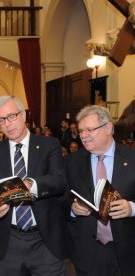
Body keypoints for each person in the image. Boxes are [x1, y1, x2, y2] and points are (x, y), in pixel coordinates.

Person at [0, 96, 72, 275]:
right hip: (8, 241)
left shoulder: (49, 145)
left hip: (44, 240)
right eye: (1, 120)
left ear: (23, 115)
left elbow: (59, 180)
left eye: (11, 116)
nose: (7, 124)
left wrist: (30, 185)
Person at [64, 105, 135, 276]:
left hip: (128, 251)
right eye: (81, 131)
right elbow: (62, 198)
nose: (83, 135)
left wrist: (132, 208)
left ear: (109, 128)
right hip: (86, 252)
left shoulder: (132, 159)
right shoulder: (72, 162)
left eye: (89, 129)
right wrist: (72, 209)